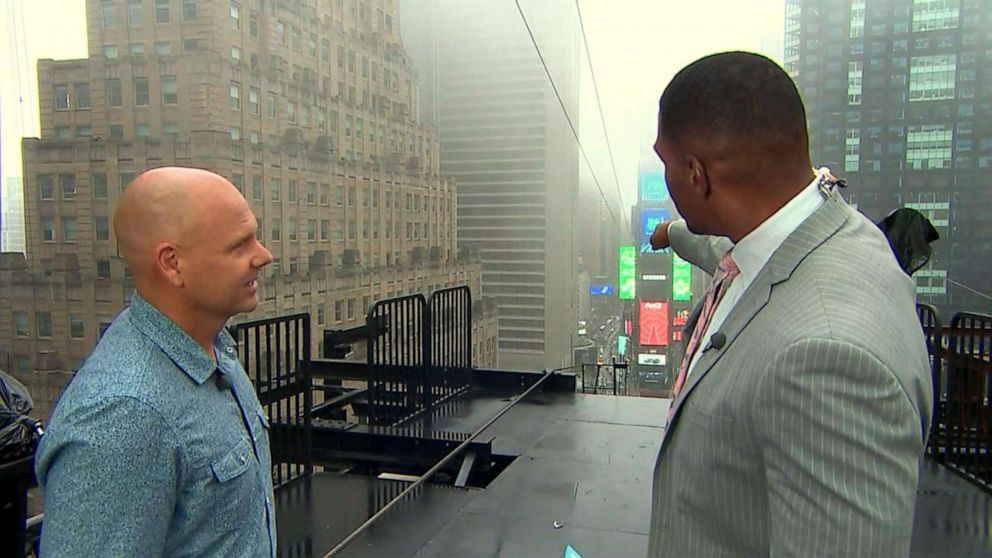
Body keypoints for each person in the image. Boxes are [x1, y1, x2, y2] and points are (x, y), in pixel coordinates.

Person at [645, 52, 931, 558]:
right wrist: (672, 232)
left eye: (665, 161)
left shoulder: (827, 358)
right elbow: (729, 255)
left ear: (695, 175)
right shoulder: (828, 229)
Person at [35, 167, 277, 557]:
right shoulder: (124, 415)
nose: (264, 256)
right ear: (172, 263)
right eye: (239, 246)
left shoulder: (215, 348)